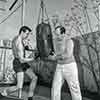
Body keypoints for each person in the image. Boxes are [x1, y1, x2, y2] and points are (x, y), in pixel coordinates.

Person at [2, 26, 37, 100]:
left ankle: (30, 97)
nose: (27, 36)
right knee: (19, 86)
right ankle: (3, 92)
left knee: (34, 78)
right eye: (26, 34)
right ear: (22, 32)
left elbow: (19, 49)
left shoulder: (17, 38)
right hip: (19, 63)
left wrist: (26, 46)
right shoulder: (19, 43)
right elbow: (22, 60)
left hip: (22, 63)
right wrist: (32, 59)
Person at [51, 26, 82, 100]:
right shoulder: (54, 41)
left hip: (70, 66)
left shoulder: (69, 41)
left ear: (63, 33)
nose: (57, 36)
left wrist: (55, 57)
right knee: (55, 87)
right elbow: (51, 53)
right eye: (56, 34)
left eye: (58, 34)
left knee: (74, 88)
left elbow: (68, 54)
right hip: (59, 67)